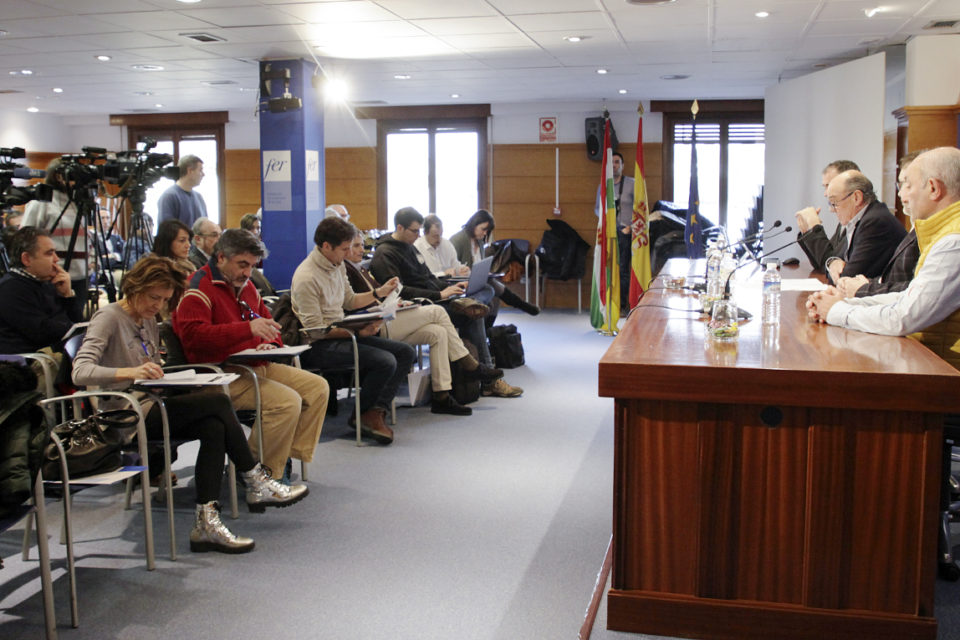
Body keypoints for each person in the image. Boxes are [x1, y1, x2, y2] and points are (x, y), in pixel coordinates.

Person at [72, 255, 306, 554]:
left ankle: (206, 523)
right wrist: (131, 372)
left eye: (164, 299)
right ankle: (255, 478)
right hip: (124, 415)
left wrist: (162, 374)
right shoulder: (109, 317)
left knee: (213, 427)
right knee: (218, 402)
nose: (157, 306)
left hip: (151, 401)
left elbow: (151, 365)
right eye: (153, 297)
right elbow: (80, 371)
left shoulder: (146, 319)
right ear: (135, 287)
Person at [173, 229, 329, 481]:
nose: (248, 273)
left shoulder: (246, 288)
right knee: (286, 402)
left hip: (252, 365)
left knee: (317, 388)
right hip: (218, 375)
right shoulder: (196, 289)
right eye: (242, 265)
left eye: (252, 266)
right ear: (221, 258)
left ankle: (271, 460)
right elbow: (194, 340)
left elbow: (270, 326)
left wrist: (271, 343)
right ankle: (255, 471)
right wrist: (245, 330)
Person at [805, 147, 960, 369]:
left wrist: (836, 311)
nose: (901, 194)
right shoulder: (944, 233)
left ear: (933, 188)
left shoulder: (953, 242)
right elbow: (909, 296)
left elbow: (903, 317)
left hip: (945, 374)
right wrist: (845, 302)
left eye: (908, 185)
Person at [370, 207, 523, 398]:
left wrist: (450, 288)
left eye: (419, 231)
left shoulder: (410, 248)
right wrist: (440, 294)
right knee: (472, 312)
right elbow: (400, 292)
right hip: (415, 307)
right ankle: (485, 377)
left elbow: (427, 277)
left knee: (478, 300)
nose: (418, 235)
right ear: (400, 228)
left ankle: (478, 375)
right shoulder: (385, 254)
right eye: (415, 231)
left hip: (431, 299)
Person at [346, 230, 501, 416]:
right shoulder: (350, 269)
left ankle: (441, 397)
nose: (361, 249)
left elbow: (387, 295)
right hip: (374, 325)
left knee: (437, 333)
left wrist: (398, 303)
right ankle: (469, 364)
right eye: (355, 246)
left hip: (388, 315)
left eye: (362, 245)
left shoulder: (360, 268)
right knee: (438, 311)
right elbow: (355, 304)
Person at [291, 217, 416, 443]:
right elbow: (314, 331)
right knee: (385, 361)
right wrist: (358, 331)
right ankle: (364, 415)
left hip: (343, 333)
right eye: (345, 248)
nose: (349, 253)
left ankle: (372, 411)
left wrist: (380, 293)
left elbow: (349, 301)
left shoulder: (337, 265)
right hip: (318, 345)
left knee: (405, 353)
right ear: (326, 246)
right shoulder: (306, 277)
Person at [836, 151, 921, 298]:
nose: (900, 193)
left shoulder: (876, 220)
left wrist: (864, 288)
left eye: (908, 185)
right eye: (900, 185)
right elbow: (893, 280)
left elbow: (916, 291)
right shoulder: (918, 225)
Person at [22, 158, 89, 318]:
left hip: (81, 274)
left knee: (74, 320)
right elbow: (26, 237)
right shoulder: (41, 202)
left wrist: (93, 261)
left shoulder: (79, 202)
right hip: (52, 275)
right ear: (59, 176)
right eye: (73, 176)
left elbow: (87, 237)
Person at [0, 227, 83, 355]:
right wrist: (73, 328)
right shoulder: (10, 289)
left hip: (53, 354)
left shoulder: (47, 283)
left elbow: (77, 324)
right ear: (26, 259)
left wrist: (67, 295)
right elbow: (43, 333)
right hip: (27, 364)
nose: (56, 259)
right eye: (49, 253)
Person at [446, 211, 540, 316]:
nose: (485, 233)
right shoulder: (458, 240)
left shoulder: (479, 241)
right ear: (474, 225)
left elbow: (477, 265)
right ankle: (522, 305)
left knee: (493, 290)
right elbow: (449, 268)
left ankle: (489, 328)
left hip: (473, 281)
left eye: (487, 230)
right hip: (461, 283)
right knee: (493, 289)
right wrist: (460, 271)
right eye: (483, 229)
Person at [819, 170, 905, 284]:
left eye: (834, 202)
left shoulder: (875, 222)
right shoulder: (861, 219)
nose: (832, 210)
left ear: (856, 197)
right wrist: (833, 262)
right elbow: (836, 257)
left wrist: (835, 267)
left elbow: (847, 278)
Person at [795, 159, 861, 271]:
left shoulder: (863, 221)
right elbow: (824, 264)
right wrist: (808, 232)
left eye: (829, 186)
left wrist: (815, 228)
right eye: (824, 187)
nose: (826, 194)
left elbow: (832, 265)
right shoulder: (843, 222)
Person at [593, 152, 634, 311]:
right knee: (608, 267)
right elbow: (597, 208)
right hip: (609, 232)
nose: (614, 165)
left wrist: (630, 227)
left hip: (626, 232)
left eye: (617, 162)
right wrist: (604, 218)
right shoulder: (603, 186)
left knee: (623, 269)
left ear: (622, 166)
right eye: (611, 163)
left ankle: (623, 305)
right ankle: (609, 303)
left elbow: (641, 208)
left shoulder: (632, 183)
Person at [157, 155, 207, 227]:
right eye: (200, 170)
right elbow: (167, 230)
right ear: (190, 170)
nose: (203, 174)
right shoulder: (169, 196)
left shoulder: (199, 197)